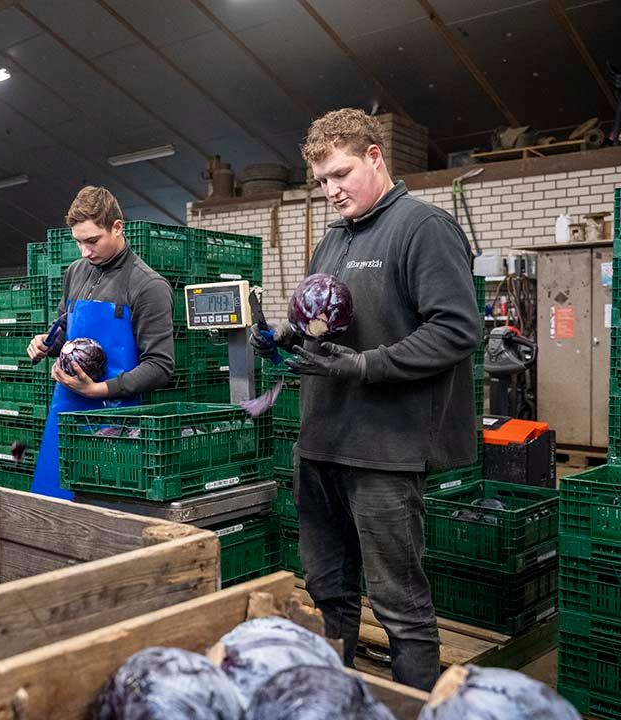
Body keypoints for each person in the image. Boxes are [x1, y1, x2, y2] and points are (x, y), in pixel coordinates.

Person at [252, 109, 481, 690]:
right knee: (327, 593)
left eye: (341, 174)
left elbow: (457, 330)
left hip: (386, 450)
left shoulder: (422, 226)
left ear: (376, 156)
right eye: (322, 181)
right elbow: (326, 324)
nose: (331, 191)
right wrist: (287, 333)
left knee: (397, 604)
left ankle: (412, 704)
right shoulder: (330, 241)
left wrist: (365, 366)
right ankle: (337, 700)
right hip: (322, 443)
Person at [27, 186, 175, 499]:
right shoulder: (76, 272)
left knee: (103, 513)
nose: (84, 251)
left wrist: (100, 390)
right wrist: (47, 342)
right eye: (78, 242)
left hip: (117, 421)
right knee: (53, 506)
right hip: (66, 412)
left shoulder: (148, 286)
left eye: (92, 241)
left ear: (117, 227)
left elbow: (161, 366)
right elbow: (66, 326)